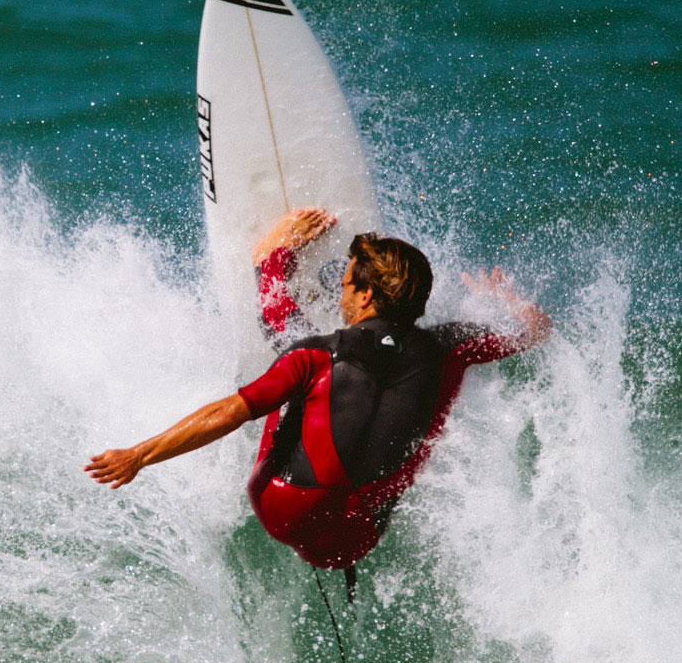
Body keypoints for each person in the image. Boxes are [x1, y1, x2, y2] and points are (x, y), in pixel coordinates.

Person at [84, 208, 550, 576]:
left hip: (284, 512)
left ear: (365, 296)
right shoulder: (452, 345)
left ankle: (269, 261)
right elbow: (534, 330)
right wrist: (508, 299)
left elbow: (228, 413)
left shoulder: (317, 354)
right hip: (362, 533)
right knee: (443, 378)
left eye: (345, 284)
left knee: (290, 346)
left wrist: (139, 455)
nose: (343, 293)